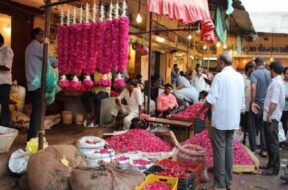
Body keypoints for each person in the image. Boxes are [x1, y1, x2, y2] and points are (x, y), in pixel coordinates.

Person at [197, 51, 245, 190]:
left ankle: (220, 184)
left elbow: (211, 99)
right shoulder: (239, 77)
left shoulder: (220, 77)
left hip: (221, 119)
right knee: (228, 148)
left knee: (219, 150)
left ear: (222, 62)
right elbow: (242, 100)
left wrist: (199, 112)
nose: (217, 64)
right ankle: (228, 182)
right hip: (233, 119)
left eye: (217, 62)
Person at [25, 28, 57, 141]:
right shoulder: (36, 46)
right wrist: (61, 62)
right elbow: (49, 58)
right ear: (35, 36)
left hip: (34, 83)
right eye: (41, 35)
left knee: (38, 110)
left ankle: (35, 136)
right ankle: (33, 138)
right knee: (37, 111)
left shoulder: (30, 46)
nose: (43, 38)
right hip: (36, 83)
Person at [256, 61, 285, 176]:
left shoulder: (277, 83)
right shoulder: (278, 82)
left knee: (273, 144)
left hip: (272, 118)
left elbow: (274, 101)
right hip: (271, 117)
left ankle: (274, 168)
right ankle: (270, 164)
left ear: (272, 70)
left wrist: (269, 114)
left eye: (270, 70)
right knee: (270, 143)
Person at [249, 57, 271, 156]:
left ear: (256, 64)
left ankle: (253, 149)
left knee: (252, 126)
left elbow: (253, 88)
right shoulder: (269, 73)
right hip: (266, 104)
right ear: (263, 63)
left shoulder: (254, 73)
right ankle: (264, 149)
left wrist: (252, 102)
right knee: (263, 127)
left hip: (257, 103)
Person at [0, 33, 14, 127]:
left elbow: (7, 67)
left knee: (4, 104)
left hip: (4, 82)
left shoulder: (7, 50)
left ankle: (5, 126)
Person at [240, 61, 255, 145]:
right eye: (252, 68)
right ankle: (242, 141)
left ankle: (246, 141)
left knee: (249, 126)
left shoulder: (254, 79)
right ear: (248, 68)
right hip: (243, 107)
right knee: (243, 126)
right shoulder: (242, 78)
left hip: (251, 107)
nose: (253, 70)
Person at [280, 67, 288, 148]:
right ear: (283, 74)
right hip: (283, 108)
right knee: (284, 124)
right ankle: (282, 141)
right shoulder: (281, 83)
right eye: (287, 73)